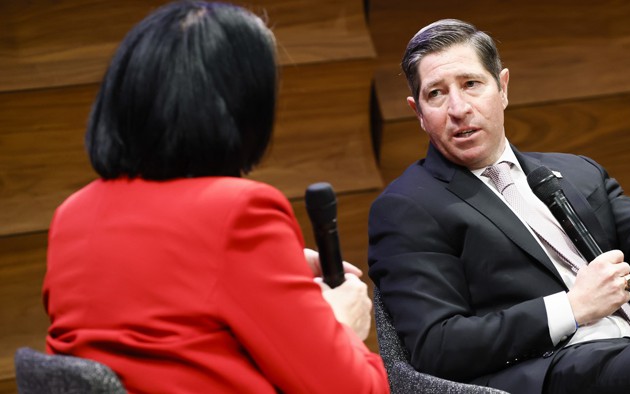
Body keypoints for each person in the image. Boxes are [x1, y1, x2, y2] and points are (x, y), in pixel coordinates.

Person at [368, 18, 630, 393]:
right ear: (418, 112)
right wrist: (570, 308)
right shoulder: (408, 206)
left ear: (503, 88)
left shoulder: (575, 173)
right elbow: (436, 347)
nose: (458, 108)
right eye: (437, 94)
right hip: (548, 372)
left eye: (471, 84)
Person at [41, 2, 389, 393]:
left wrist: (277, 268)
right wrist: (342, 324)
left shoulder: (71, 215)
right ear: (244, 107)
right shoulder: (239, 212)